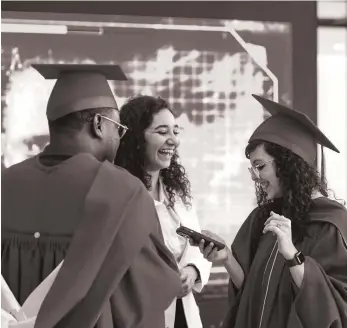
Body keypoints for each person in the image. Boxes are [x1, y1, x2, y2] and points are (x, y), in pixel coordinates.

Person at [1, 64, 182, 328]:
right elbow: (157, 287)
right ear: (99, 124)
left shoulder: (5, 183)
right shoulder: (123, 191)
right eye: (118, 129)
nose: (119, 139)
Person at [197, 95, 347, 328]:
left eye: (261, 166)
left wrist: (293, 256)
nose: (256, 177)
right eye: (252, 168)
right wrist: (226, 257)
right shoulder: (263, 218)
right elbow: (249, 295)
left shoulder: (331, 224)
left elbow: (333, 307)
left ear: (289, 166)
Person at [114, 95, 211, 328]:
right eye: (162, 132)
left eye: (175, 132)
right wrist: (165, 280)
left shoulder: (177, 192)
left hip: (183, 314)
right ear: (137, 137)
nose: (173, 141)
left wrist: (192, 270)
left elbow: (196, 245)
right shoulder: (118, 193)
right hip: (139, 316)